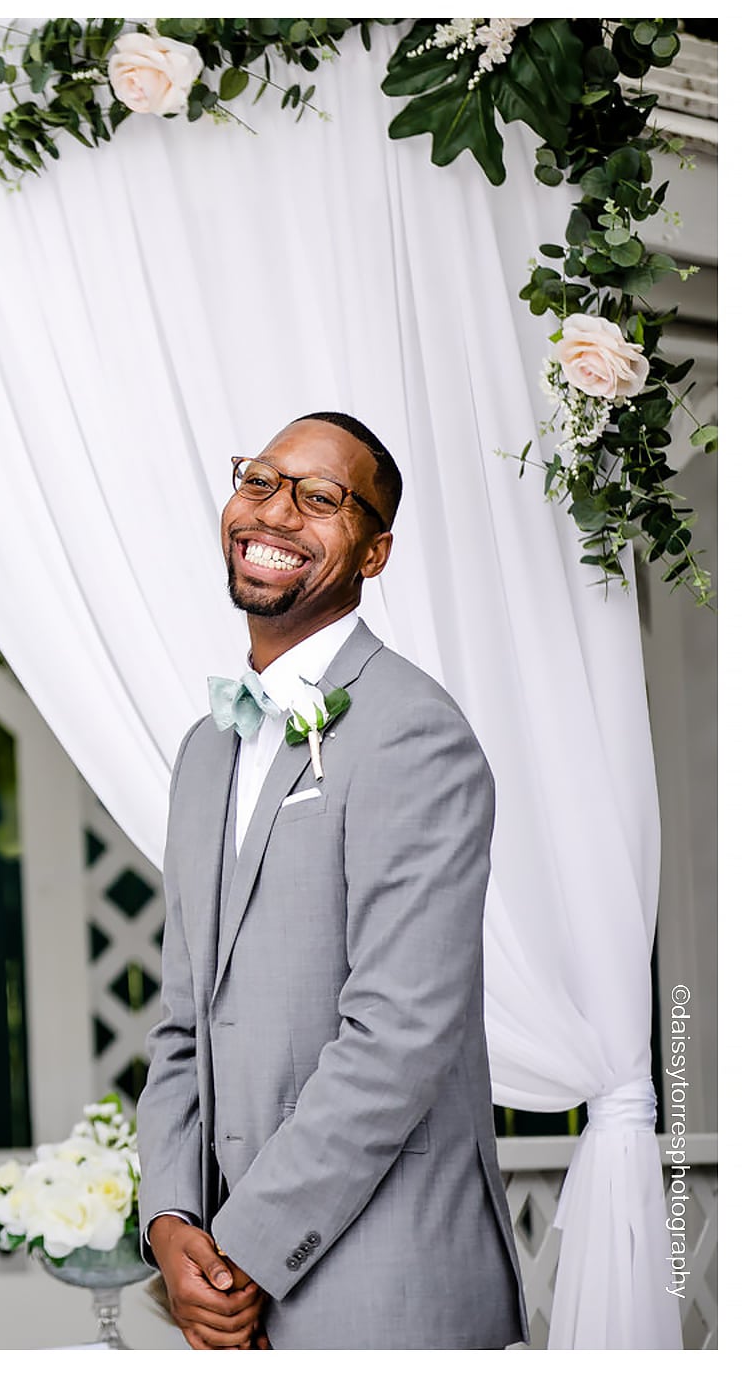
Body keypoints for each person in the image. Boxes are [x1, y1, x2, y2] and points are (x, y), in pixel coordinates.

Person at [135, 413, 526, 1349]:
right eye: (261, 482)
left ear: (374, 551)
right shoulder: (204, 752)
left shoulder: (413, 732)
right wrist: (169, 1224)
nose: (276, 514)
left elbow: (399, 1033)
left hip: (386, 1282)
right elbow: (185, 1022)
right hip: (226, 1290)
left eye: (320, 499)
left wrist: (246, 1251)